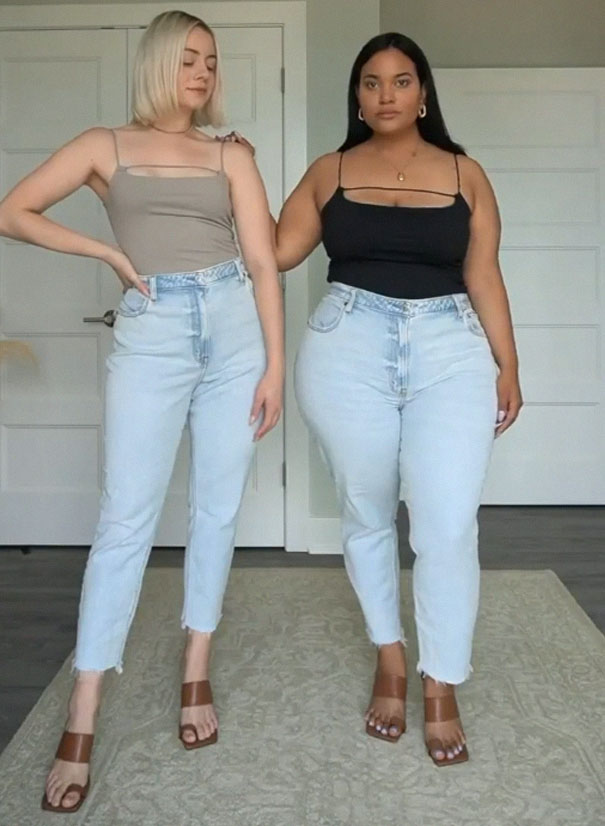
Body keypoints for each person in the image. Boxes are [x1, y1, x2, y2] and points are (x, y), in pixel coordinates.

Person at [0, 10, 283, 812]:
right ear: (159, 62)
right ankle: (83, 710)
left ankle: (195, 670)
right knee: (125, 518)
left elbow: (264, 262)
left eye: (212, 61)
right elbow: (12, 211)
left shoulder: (230, 154)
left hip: (234, 329)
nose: (203, 72)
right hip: (153, 329)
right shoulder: (105, 146)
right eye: (189, 58)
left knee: (215, 508)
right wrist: (107, 253)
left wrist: (274, 365)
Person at [271, 32, 522, 766]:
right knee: (366, 511)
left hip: (450, 350)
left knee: (447, 524)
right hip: (347, 347)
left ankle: (440, 680)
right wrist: (227, 170)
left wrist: (508, 363)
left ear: (423, 94)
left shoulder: (465, 173)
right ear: (356, 96)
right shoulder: (329, 170)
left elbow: (483, 274)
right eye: (371, 82)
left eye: (401, 80)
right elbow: (276, 252)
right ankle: (390, 655)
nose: (386, 94)